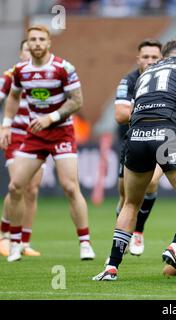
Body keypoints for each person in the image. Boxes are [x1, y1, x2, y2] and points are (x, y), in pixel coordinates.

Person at [92, 39, 176, 281]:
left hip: (135, 135)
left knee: (130, 204)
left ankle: (111, 267)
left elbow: (135, 110)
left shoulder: (146, 73)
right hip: (166, 134)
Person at [0, 25, 95, 262]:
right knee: (15, 187)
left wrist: (51, 117)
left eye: (42, 39)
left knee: (70, 187)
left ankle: (85, 243)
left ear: (49, 42)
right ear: (28, 44)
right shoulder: (20, 70)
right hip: (35, 135)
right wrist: (6, 124)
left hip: (61, 132)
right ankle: (14, 244)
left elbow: (77, 101)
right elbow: (12, 96)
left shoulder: (63, 68)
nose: (37, 43)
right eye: (33, 39)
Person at [114, 39, 163, 256]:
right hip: (134, 138)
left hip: (165, 137)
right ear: (138, 59)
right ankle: (123, 229)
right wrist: (152, 109)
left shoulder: (169, 79)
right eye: (146, 57)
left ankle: (138, 232)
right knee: (126, 196)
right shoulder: (129, 80)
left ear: (162, 59)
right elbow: (120, 115)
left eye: (155, 57)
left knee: (151, 182)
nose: (150, 61)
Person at [0, 40, 44, 257]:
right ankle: (4, 236)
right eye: (26, 49)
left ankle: (24, 241)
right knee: (17, 185)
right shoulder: (11, 75)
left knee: (32, 189)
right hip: (16, 136)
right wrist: (3, 127)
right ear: (20, 53)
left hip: (38, 136)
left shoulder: (46, 75)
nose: (30, 53)